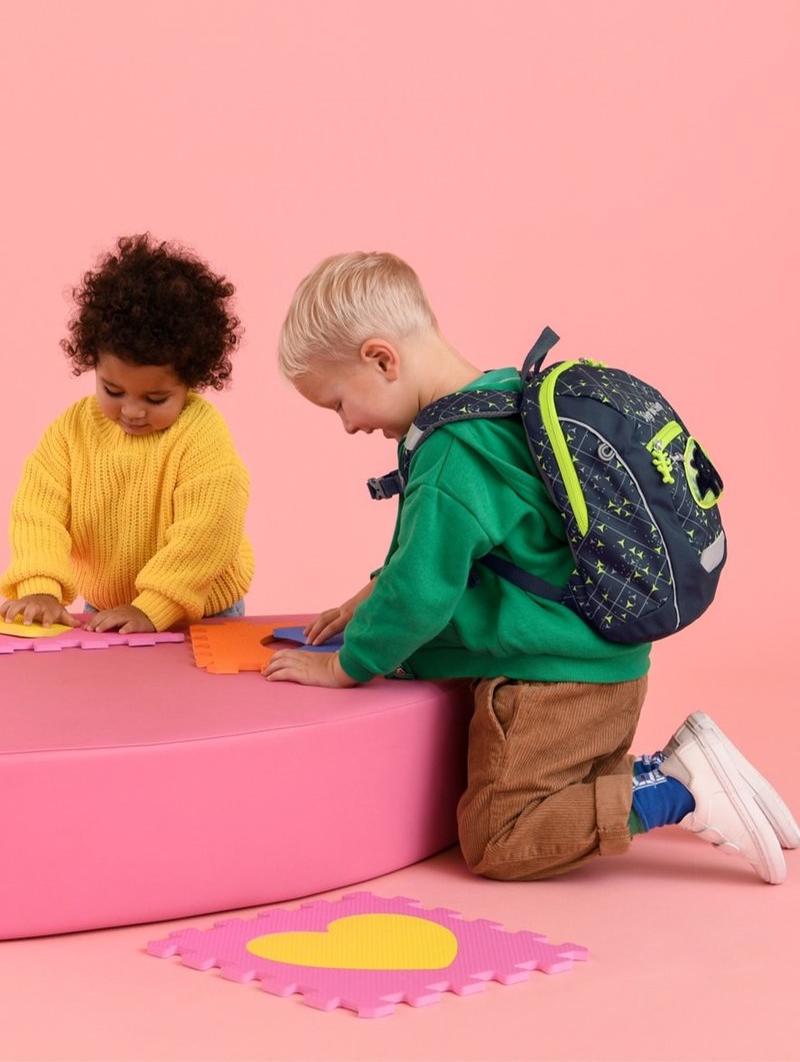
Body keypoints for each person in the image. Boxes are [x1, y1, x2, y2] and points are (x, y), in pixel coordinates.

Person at [264, 250, 798, 885]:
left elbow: (418, 594)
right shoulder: (501, 397)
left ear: (382, 360)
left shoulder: (451, 453)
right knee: (553, 800)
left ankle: (676, 786)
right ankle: (676, 768)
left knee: (498, 838)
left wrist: (344, 667)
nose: (348, 425)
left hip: (552, 691)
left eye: (338, 404)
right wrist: (368, 595)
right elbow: (485, 550)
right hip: (609, 674)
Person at [0, 233, 254, 634]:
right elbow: (38, 511)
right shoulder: (72, 432)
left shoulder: (201, 437)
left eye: (156, 398)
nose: (132, 411)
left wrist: (154, 607)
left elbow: (207, 533)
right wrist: (41, 587)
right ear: (94, 365)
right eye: (113, 391)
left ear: (192, 381)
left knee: (182, 696)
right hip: (106, 605)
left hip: (199, 610)